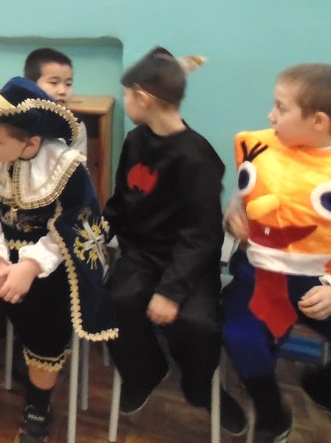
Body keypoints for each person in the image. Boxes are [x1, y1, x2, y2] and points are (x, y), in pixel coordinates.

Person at [0, 76, 116, 443]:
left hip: (48, 252)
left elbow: (74, 227)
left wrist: (30, 267)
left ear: (31, 142)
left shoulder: (66, 168)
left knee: (50, 307)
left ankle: (38, 408)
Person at [104, 48, 245, 433]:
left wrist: (171, 290)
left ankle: (200, 388)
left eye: (127, 95)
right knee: (116, 301)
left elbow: (202, 235)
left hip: (188, 263)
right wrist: (100, 229)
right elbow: (122, 201)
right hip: (142, 254)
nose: (125, 101)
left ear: (143, 98)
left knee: (196, 323)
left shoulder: (197, 158)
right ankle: (146, 371)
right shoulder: (135, 141)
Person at [223, 63, 331, 443]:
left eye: (281, 108)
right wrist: (233, 213)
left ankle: (327, 387)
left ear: (318, 121)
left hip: (330, 282)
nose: (271, 115)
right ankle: (270, 408)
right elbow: (246, 196)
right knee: (241, 335)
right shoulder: (262, 148)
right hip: (261, 277)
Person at [24, 47, 87, 157]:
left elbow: (79, 165)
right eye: (54, 82)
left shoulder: (75, 127)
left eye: (68, 84)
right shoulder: (15, 120)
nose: (63, 91)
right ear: (30, 86)